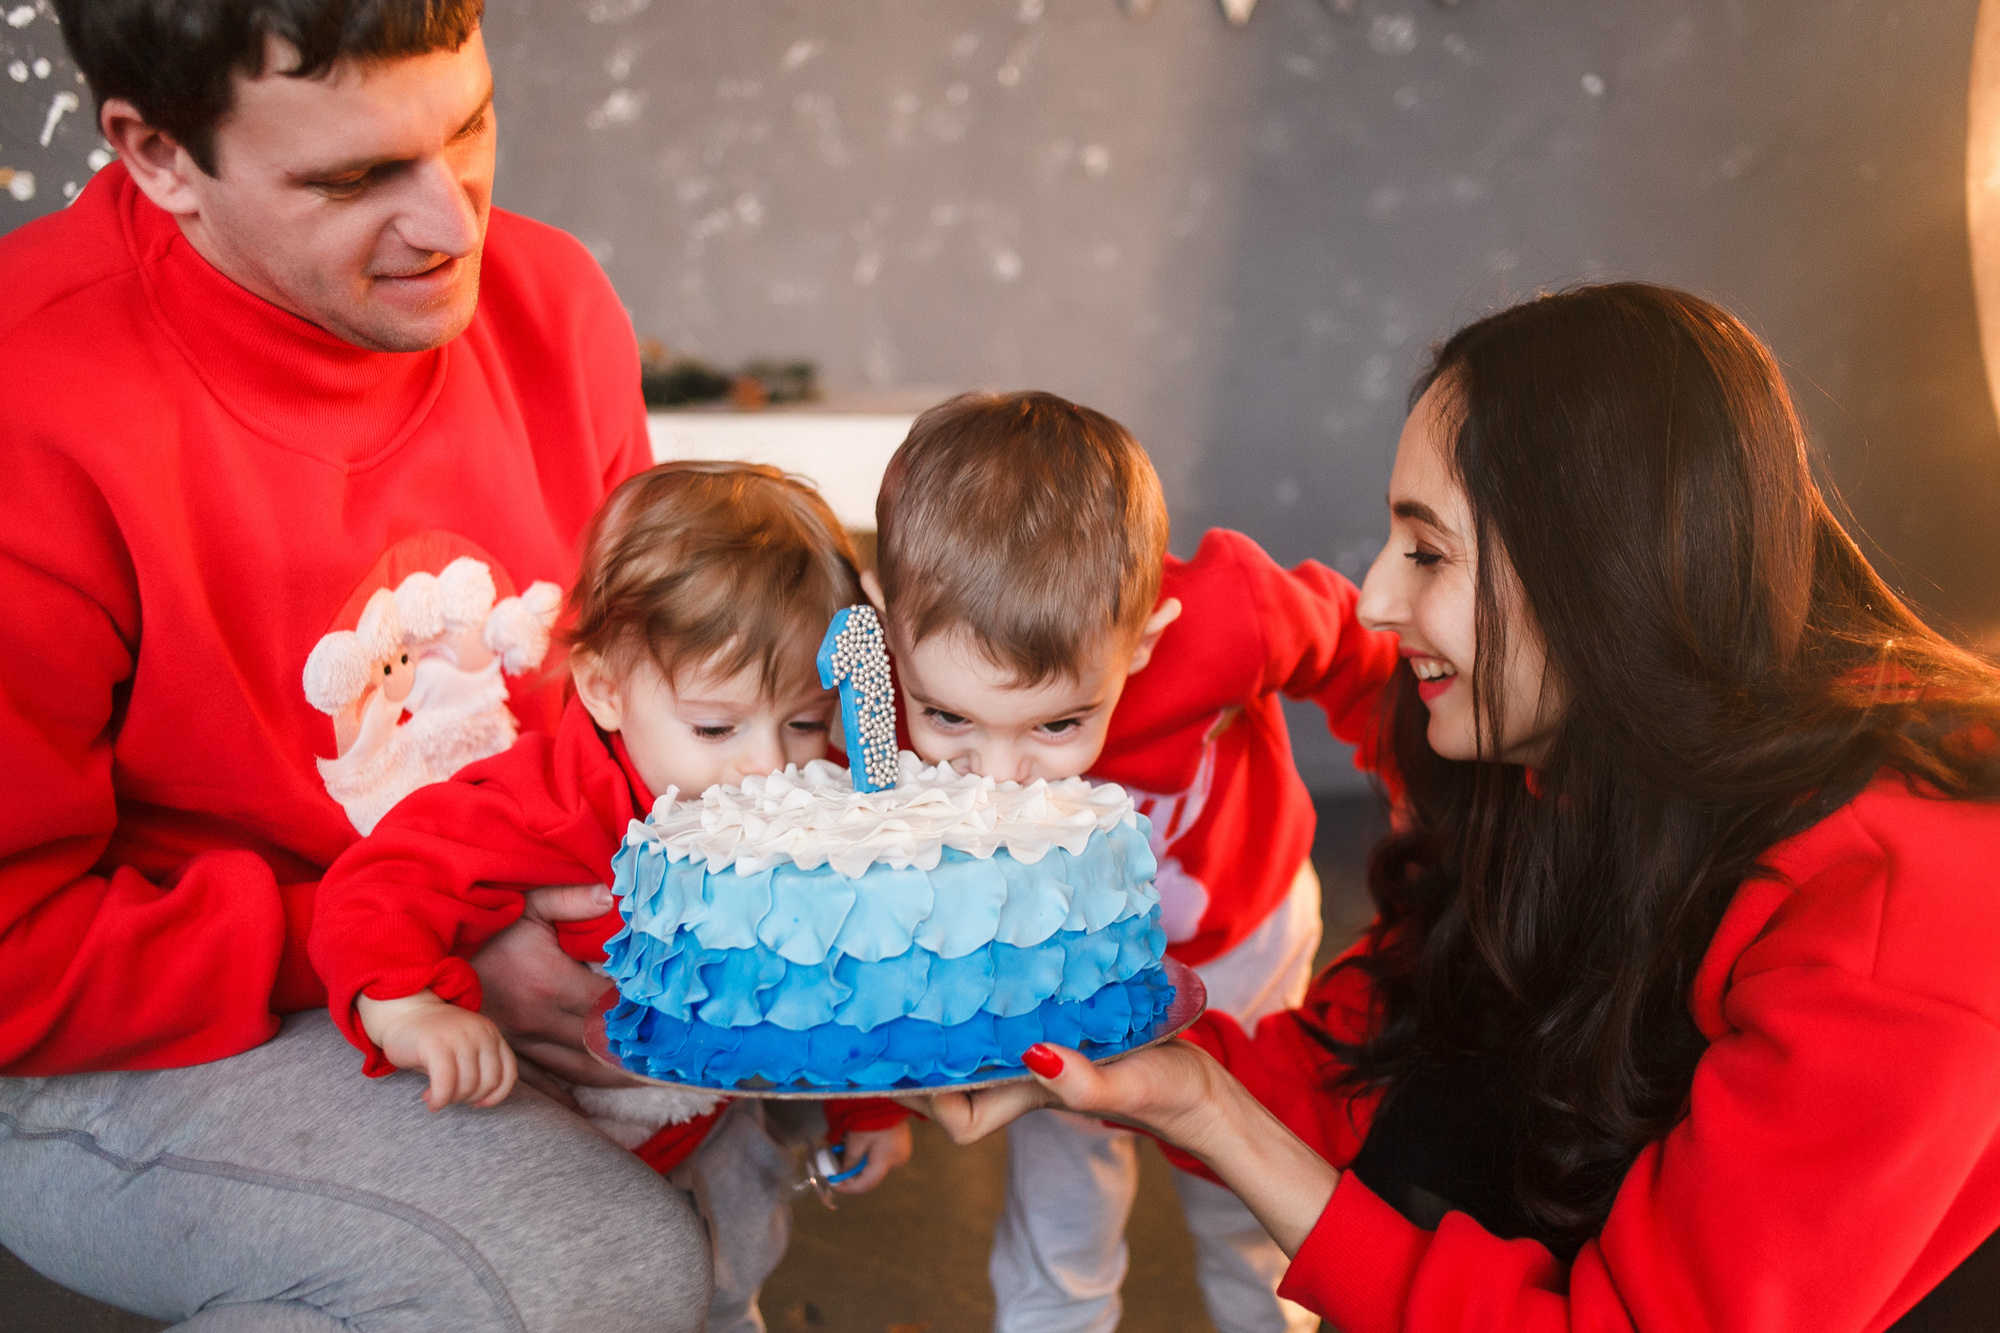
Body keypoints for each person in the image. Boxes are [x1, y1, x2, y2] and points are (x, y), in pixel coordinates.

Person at [918, 283, 2000, 1331]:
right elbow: (1379, 1067)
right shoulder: (1552, 772)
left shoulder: (1898, 915)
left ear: (1606, 575)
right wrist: (1166, 1086)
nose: (1377, 599)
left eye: (1428, 552)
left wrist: (1215, 1117)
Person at [0, 0, 713, 1325]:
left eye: (471, 127)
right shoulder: (27, 401)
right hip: (119, 1030)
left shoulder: (556, 305)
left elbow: (642, 716)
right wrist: (425, 946)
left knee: (724, 1179)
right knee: (583, 1269)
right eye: (353, 177)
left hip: (476, 931)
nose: (455, 228)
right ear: (157, 156)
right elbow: (14, 961)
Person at [312, 461, 915, 1333]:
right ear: (603, 687)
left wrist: (870, 1102)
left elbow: (844, 960)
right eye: (715, 727)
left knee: (738, 1251)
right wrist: (407, 1010)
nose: (767, 764)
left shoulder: (814, 797)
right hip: (563, 1126)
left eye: (804, 719)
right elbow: (379, 883)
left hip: (714, 1120)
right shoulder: (552, 800)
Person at [867, 391, 1402, 1333]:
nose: (1000, 778)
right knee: (1060, 1200)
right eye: (948, 717)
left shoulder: (1232, 614)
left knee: (1244, 1207)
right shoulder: (872, 708)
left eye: (1059, 723)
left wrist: (1425, 799)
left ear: (1144, 642)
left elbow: (1363, 654)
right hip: (1059, 968)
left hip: (1243, 933)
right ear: (888, 630)